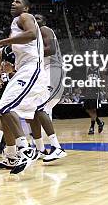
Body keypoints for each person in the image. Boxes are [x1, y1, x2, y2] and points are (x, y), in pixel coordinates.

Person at [0, 0, 47, 174]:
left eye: (18, 1)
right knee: (2, 110)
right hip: (23, 69)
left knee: (6, 107)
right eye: (12, 1)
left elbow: (32, 34)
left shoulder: (25, 16)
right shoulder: (17, 22)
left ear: (26, 7)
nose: (13, 3)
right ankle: (11, 156)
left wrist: (2, 42)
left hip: (31, 68)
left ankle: (25, 149)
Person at [32, 14, 66, 162]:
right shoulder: (34, 37)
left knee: (40, 107)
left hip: (53, 69)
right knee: (33, 110)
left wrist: (30, 54)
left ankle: (57, 148)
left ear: (44, 22)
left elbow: (51, 49)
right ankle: (40, 149)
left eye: (38, 18)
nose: (35, 20)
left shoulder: (44, 29)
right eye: (34, 18)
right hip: (43, 72)